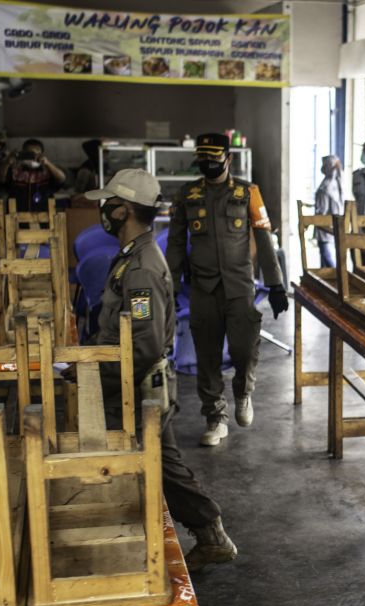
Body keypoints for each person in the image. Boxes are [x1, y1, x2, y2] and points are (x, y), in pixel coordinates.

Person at [84, 169, 237, 571]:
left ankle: (203, 533)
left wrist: (95, 374)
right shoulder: (132, 256)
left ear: (126, 210)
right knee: (162, 463)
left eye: (110, 204)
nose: (104, 210)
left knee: (157, 464)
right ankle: (209, 532)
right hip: (136, 383)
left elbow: (144, 343)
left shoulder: (142, 271)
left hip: (139, 387)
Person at [166, 133, 287, 447]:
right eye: (203, 159)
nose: (208, 164)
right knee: (206, 356)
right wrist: (170, 283)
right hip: (203, 288)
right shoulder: (186, 195)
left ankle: (244, 393)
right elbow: (176, 243)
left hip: (239, 287)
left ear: (228, 159)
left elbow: (264, 238)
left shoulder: (248, 193)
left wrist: (275, 283)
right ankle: (215, 417)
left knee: (244, 348)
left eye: (214, 159)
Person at [5, 138, 65, 212]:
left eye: (36, 155)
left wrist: (47, 163)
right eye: (28, 154)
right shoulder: (15, 171)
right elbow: (1, 180)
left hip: (44, 218)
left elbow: (61, 179)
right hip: (16, 218)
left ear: (41, 155)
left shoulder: (47, 171)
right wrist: (7, 162)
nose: (32, 157)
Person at [314, 154, 343, 267]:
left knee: (327, 258)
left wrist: (311, 222)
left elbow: (322, 210)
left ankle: (338, 279)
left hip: (325, 229)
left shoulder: (326, 186)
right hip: (334, 228)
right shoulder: (337, 183)